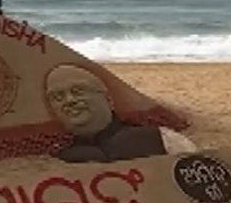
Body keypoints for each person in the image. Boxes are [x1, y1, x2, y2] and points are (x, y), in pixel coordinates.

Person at [45, 64, 196, 162]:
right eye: (58, 97)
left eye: (78, 91)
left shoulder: (161, 138)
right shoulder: (61, 158)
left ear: (108, 100)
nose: (69, 100)